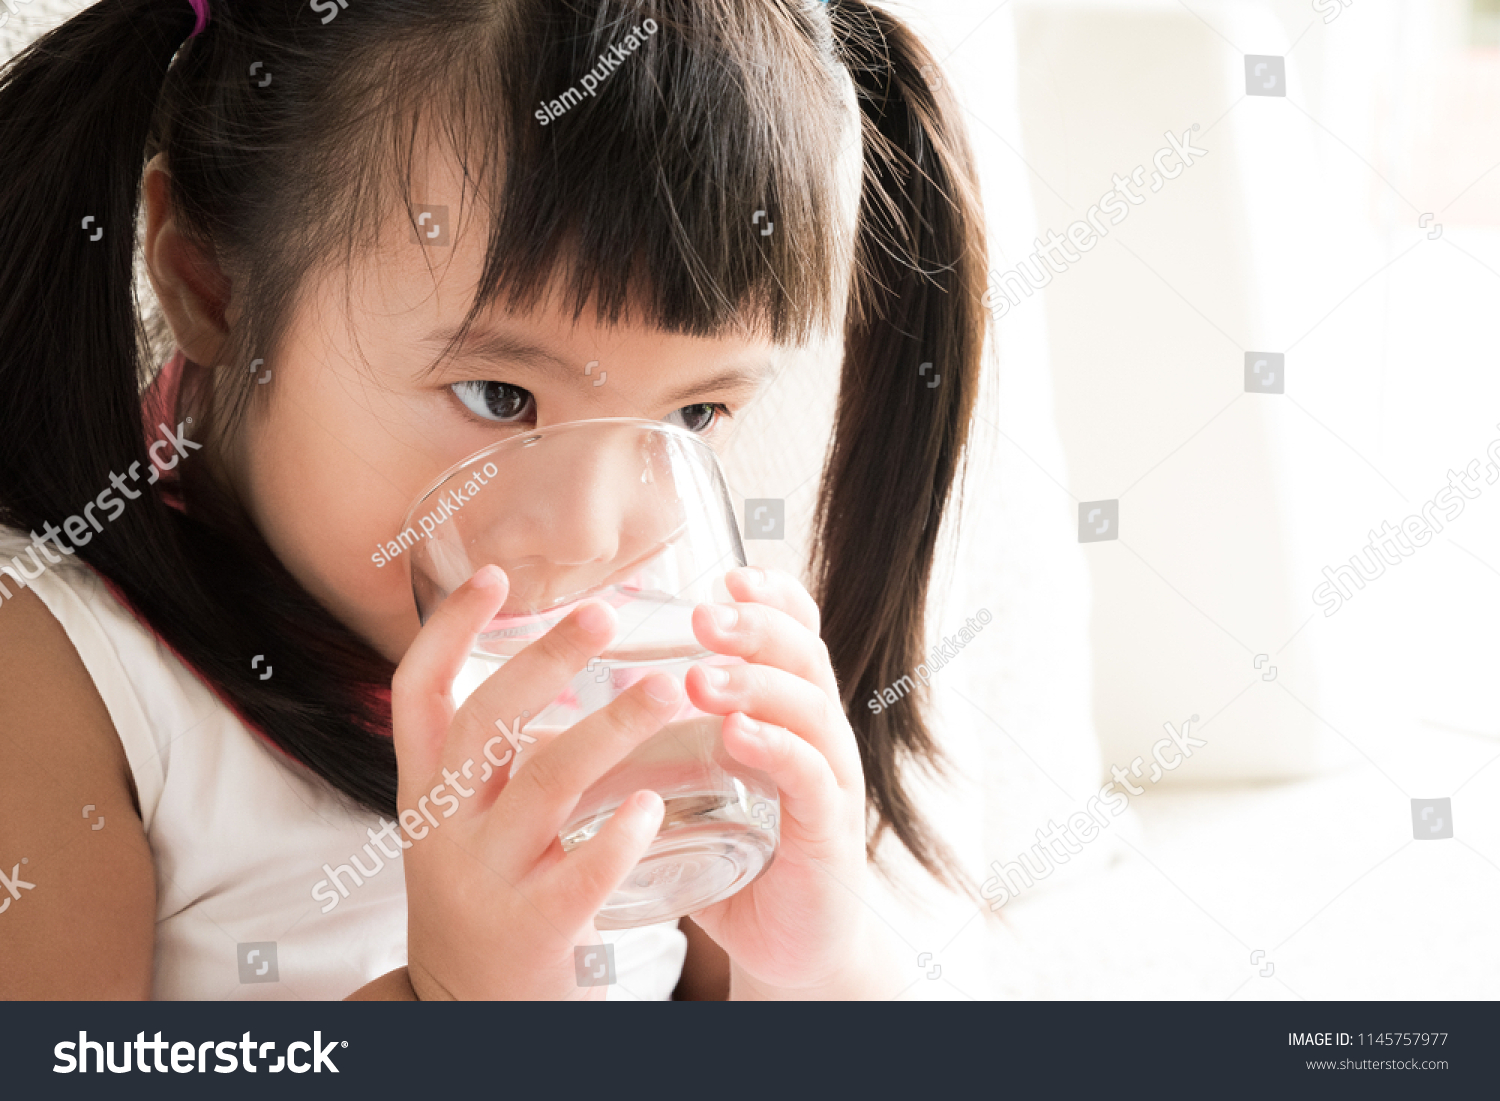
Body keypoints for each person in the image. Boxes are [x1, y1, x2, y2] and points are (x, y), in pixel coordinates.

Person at [0, 0, 987, 1000]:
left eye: (693, 415)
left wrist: (810, 971)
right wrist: (456, 1002)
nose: (593, 540)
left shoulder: (622, 678)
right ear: (209, 287)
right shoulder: (62, 679)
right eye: (500, 397)